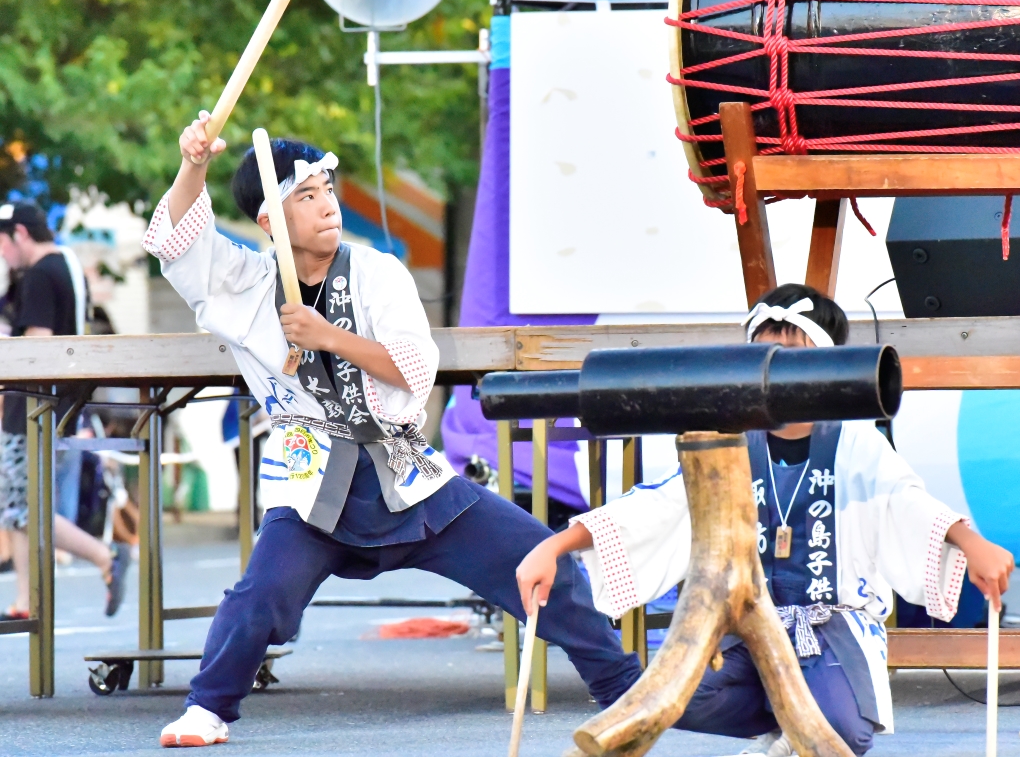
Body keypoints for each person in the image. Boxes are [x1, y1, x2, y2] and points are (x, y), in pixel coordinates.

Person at [146, 112, 639, 748]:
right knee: (259, 595)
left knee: (539, 565)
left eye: (327, 190)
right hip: (312, 477)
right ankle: (207, 710)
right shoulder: (241, 283)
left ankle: (625, 691)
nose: (327, 206)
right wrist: (193, 165)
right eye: (305, 196)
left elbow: (414, 369)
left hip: (405, 472)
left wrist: (328, 337)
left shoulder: (378, 272)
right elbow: (175, 243)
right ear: (269, 221)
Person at [515, 283, 1017, 757]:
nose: (777, 375)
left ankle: (794, 735)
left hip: (830, 632)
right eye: (764, 359)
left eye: (793, 361)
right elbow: (660, 504)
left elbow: (907, 503)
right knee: (668, 695)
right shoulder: (730, 440)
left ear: (828, 369)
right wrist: (553, 546)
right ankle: (778, 727)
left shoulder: (857, 443)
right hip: (746, 629)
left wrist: (971, 544)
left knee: (838, 736)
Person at [0, 201, 130, 620]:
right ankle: (25, 599)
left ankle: (105, 554)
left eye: (2, 243)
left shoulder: (37, 275)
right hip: (66, 401)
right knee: (19, 506)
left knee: (26, 508)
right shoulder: (68, 264)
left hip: (33, 404)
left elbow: (37, 346)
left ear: (19, 234)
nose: (2, 254)